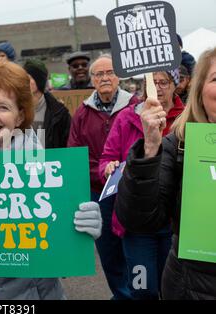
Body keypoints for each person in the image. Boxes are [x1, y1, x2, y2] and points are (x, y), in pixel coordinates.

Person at [0, 59, 102, 300]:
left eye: (2, 107)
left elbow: (61, 255)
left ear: (20, 116)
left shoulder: (48, 174)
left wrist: (79, 228)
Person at [115, 47, 216, 300]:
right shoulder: (179, 144)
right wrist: (149, 148)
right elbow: (140, 219)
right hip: (193, 285)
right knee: (142, 286)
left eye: (165, 82)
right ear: (199, 90)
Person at [99, 69, 184, 299]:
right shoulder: (126, 118)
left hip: (175, 224)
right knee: (142, 288)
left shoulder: (186, 119)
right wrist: (108, 168)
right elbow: (106, 159)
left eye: (164, 82)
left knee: (171, 289)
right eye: (152, 82)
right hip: (137, 225)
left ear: (175, 85)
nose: (157, 87)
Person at [67, 54, 139, 299]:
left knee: (134, 248)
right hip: (98, 192)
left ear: (118, 76)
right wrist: (103, 171)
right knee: (108, 250)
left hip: (131, 191)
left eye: (109, 72)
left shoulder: (136, 106)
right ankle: (120, 293)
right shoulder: (82, 113)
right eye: (99, 74)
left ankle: (136, 293)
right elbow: (75, 153)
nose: (105, 78)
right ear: (92, 80)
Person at [23, 58, 71, 148]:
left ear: (39, 81)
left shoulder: (59, 113)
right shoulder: (16, 110)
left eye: (28, 78)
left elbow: (68, 145)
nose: (24, 82)